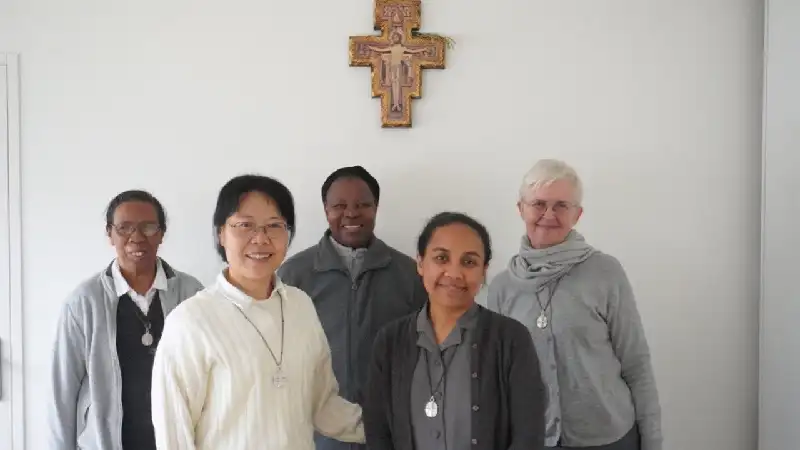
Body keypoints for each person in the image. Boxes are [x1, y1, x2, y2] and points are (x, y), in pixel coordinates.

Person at [150, 174, 365, 450]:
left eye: (274, 225)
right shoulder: (191, 321)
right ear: (221, 233)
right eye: (245, 225)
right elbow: (174, 435)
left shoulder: (300, 306)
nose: (260, 239)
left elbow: (323, 404)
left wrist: (392, 425)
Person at [486, 159, 662, 450]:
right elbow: (498, 378)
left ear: (577, 214)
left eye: (561, 206)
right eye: (538, 204)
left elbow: (636, 363)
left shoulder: (605, 272)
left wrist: (653, 441)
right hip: (534, 438)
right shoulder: (502, 287)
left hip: (608, 437)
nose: (548, 214)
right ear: (521, 209)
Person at [363, 212, 546, 450]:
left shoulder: (511, 339)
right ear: (420, 263)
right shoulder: (389, 341)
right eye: (441, 258)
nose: (454, 274)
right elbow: (377, 431)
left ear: (484, 270)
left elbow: (528, 436)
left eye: (469, 262)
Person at [278, 166, 427, 450]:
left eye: (362, 205)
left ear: (376, 208)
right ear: (325, 209)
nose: (351, 213)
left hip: (390, 433)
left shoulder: (410, 274)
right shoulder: (293, 276)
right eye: (339, 206)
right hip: (315, 436)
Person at [47, 190, 204, 450]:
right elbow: (61, 392)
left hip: (176, 440)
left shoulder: (191, 293)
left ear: (162, 233)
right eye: (124, 228)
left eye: (149, 227)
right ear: (110, 233)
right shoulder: (84, 302)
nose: (137, 237)